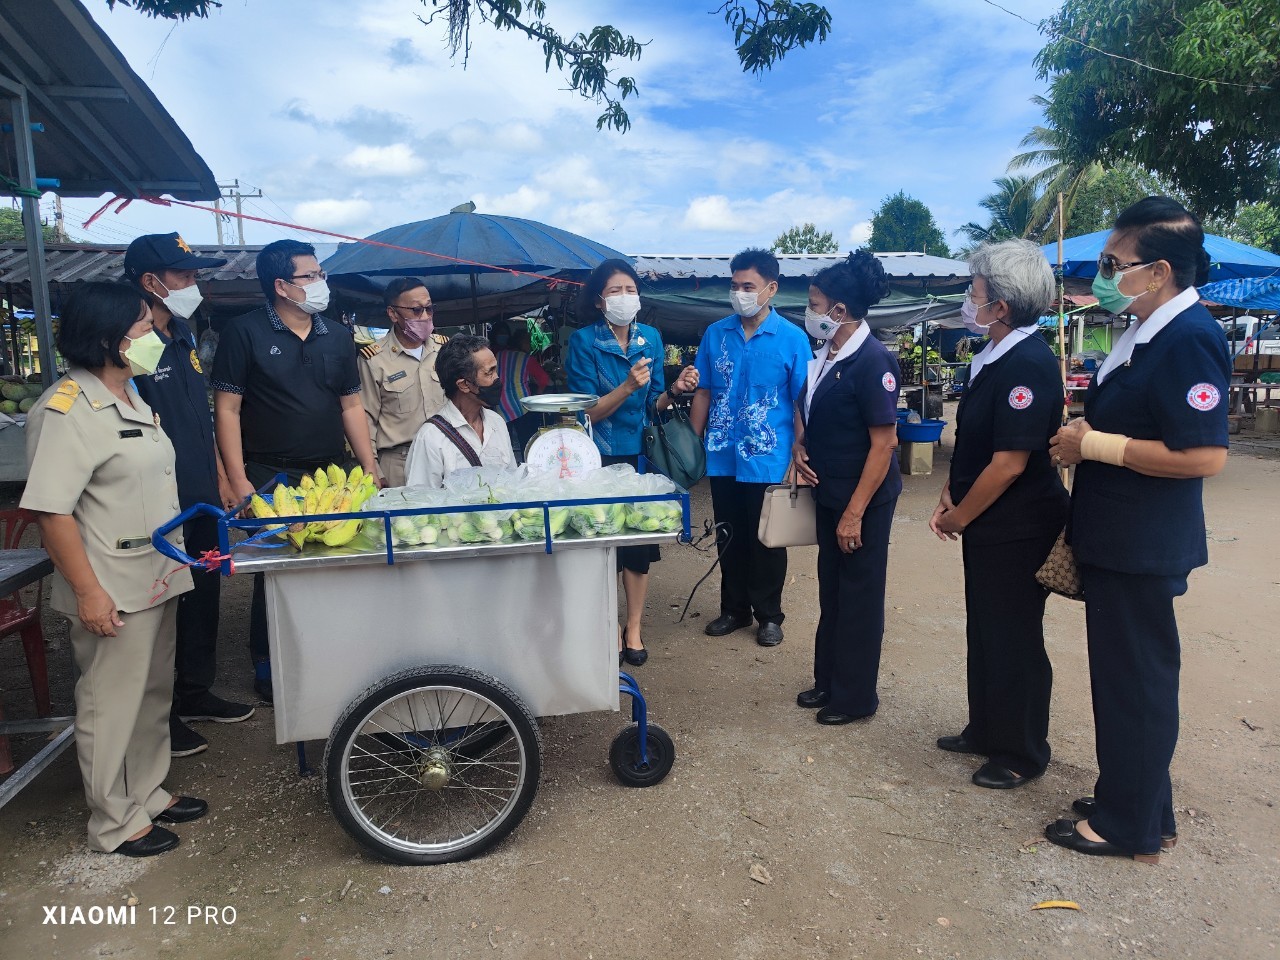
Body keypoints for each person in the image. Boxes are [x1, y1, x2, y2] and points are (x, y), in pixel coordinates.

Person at [1045, 197, 1230, 863]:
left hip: (1142, 542)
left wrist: (1094, 447)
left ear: (1156, 271)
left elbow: (1204, 455)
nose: (1103, 274)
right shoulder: (1140, 332)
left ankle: (1129, 828)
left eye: (1111, 264)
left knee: (1138, 683)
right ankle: (1141, 801)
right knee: (1124, 678)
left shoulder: (1189, 338)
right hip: (1117, 537)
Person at [21, 282, 208, 857]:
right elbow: (52, 514)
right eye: (142, 327)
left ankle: (146, 792)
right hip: (111, 584)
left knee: (152, 694)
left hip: (157, 571)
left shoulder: (133, 398)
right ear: (108, 339)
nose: (154, 335)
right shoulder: (66, 410)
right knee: (110, 701)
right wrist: (88, 593)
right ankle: (112, 820)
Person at [212, 239, 379, 703]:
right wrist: (238, 478)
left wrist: (369, 466)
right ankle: (268, 664)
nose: (321, 283)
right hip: (268, 473)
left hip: (329, 474)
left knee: (333, 564)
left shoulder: (338, 336)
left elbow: (351, 405)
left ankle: (330, 657)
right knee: (277, 572)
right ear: (282, 285)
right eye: (311, 277)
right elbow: (227, 409)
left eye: (321, 274)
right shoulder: (243, 332)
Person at [927, 239, 1068, 787]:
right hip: (988, 521)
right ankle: (986, 727)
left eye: (976, 292)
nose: (970, 299)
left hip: (1018, 525)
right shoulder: (992, 354)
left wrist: (959, 516)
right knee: (985, 629)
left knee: (1014, 636)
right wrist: (949, 491)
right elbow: (975, 446)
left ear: (1001, 306)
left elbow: (1009, 463)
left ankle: (1021, 751)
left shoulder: (1029, 364)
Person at [124, 233, 254, 760]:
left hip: (200, 494)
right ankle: (163, 714)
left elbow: (198, 415)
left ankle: (196, 692)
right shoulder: (128, 343)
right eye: (184, 276)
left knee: (203, 592)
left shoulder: (180, 332)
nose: (192, 284)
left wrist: (224, 475)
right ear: (150, 281)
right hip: (158, 501)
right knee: (165, 605)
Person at [564, 260, 698, 665]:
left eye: (630, 289)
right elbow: (585, 412)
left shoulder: (651, 339)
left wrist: (673, 389)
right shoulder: (584, 342)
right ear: (599, 300)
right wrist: (625, 387)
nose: (625, 297)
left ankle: (633, 627)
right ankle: (606, 626)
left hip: (642, 456)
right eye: (615, 291)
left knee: (639, 545)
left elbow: (654, 405)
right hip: (599, 457)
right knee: (601, 542)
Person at [791, 250, 901, 724]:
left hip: (863, 499)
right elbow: (809, 414)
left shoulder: (873, 361)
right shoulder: (825, 354)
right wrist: (799, 445)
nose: (809, 310)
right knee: (832, 590)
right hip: (830, 492)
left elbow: (884, 445)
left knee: (858, 596)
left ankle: (855, 698)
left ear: (838, 309)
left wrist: (855, 512)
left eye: (815, 302)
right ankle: (828, 681)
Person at [690, 248, 811, 647]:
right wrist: (693, 444)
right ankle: (734, 610)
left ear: (771, 289)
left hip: (768, 457)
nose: (740, 293)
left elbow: (802, 403)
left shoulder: (792, 339)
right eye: (735, 285)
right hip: (723, 455)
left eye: (749, 286)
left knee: (767, 539)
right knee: (730, 535)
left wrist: (799, 451)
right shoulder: (715, 334)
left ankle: (769, 615)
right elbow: (704, 392)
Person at [358, 277, 449, 487]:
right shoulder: (374, 360)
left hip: (446, 455)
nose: (425, 316)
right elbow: (365, 419)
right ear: (393, 313)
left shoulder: (445, 350)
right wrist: (372, 469)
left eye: (429, 309)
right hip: (399, 463)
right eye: (416, 310)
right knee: (403, 520)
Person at [403, 335, 516, 487]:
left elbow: (513, 484)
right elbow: (420, 501)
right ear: (463, 385)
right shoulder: (430, 438)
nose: (497, 378)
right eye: (489, 372)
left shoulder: (497, 423)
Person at [490, 318, 552, 457]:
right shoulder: (527, 359)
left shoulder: (498, 355)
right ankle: (527, 467)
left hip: (501, 404)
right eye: (527, 342)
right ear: (520, 342)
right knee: (527, 442)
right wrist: (537, 397)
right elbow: (544, 379)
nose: (530, 345)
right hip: (521, 406)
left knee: (505, 443)